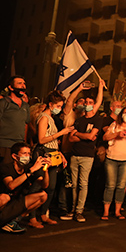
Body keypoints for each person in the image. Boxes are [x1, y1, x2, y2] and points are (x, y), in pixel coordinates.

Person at [28, 90, 74, 228]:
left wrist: (60, 154)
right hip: (44, 153)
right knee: (38, 185)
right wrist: (62, 132)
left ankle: (43, 214)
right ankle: (31, 216)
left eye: (60, 106)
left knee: (51, 186)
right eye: (58, 106)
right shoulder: (43, 118)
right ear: (50, 104)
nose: (59, 109)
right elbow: (41, 139)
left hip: (53, 154)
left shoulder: (51, 118)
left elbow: (53, 142)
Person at [0, 142, 51, 234]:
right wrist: (31, 171)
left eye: (29, 153)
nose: (27, 156)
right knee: (4, 198)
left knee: (43, 195)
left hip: (15, 203)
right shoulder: (6, 167)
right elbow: (11, 186)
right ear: (15, 156)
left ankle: (13, 222)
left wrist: (46, 170)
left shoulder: (28, 167)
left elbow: (44, 185)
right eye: (24, 153)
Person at [66, 81, 104, 222]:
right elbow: (71, 139)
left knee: (83, 184)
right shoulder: (80, 120)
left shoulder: (97, 119)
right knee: (74, 184)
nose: (87, 104)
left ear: (94, 105)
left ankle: (79, 211)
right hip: (75, 155)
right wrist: (85, 136)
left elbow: (89, 137)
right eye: (86, 102)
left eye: (90, 102)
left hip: (87, 156)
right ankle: (73, 209)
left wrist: (79, 135)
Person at [102, 107, 126, 220]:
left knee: (121, 186)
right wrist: (116, 134)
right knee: (110, 185)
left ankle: (118, 211)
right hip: (112, 158)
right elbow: (105, 137)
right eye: (124, 113)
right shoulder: (114, 125)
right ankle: (106, 212)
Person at [0, 76, 30, 163]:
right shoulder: (2, 103)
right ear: (10, 87)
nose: (23, 86)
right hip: (3, 145)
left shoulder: (25, 106)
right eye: (19, 83)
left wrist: (24, 145)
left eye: (24, 83)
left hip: (19, 147)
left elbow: (25, 126)